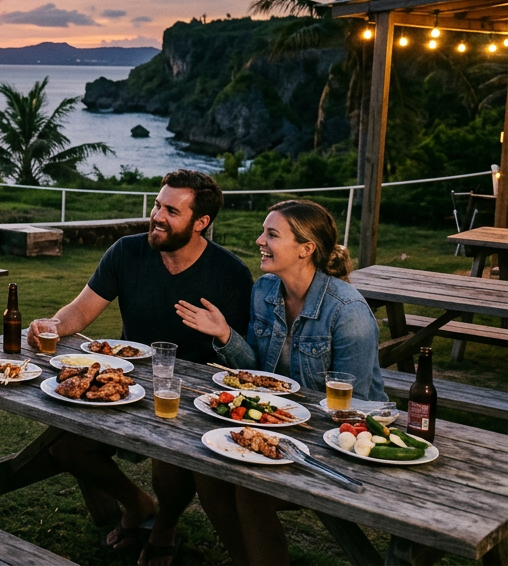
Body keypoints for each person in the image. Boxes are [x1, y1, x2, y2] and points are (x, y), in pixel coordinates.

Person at [25, 169, 253, 566]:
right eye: (157, 205)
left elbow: (244, 358)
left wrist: (222, 335)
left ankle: (164, 527)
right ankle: (137, 503)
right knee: (65, 447)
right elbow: (81, 309)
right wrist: (54, 325)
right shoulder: (127, 252)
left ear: (201, 223)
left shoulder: (230, 274)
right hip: (125, 386)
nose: (156, 216)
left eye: (171, 211)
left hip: (189, 398)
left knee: (170, 460)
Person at [177, 199, 385, 566]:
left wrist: (291, 426)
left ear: (306, 249)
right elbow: (260, 373)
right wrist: (226, 335)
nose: (260, 240)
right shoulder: (265, 290)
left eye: (271, 234)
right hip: (278, 425)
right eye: (263, 231)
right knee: (207, 471)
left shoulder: (348, 313)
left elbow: (359, 408)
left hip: (336, 441)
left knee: (251, 490)